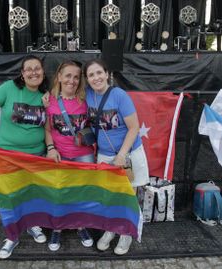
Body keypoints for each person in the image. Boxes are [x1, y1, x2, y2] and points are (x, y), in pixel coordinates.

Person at [0, 55, 48, 259]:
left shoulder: (47, 95)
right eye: (28, 69)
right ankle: (12, 236)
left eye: (37, 68)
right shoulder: (8, 89)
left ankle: (32, 226)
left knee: (32, 193)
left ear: (43, 72)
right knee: (8, 196)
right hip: (7, 156)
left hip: (36, 157)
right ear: (22, 73)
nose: (33, 72)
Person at [83, 59, 149, 255]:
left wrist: (122, 154)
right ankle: (111, 229)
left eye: (99, 73)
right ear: (87, 79)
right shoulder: (87, 95)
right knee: (110, 197)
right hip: (104, 156)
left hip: (128, 154)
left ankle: (127, 233)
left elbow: (134, 127)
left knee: (129, 196)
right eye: (91, 75)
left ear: (107, 74)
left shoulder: (119, 95)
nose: (96, 78)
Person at [44, 60, 95, 251]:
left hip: (84, 155)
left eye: (76, 77)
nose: (72, 81)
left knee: (81, 192)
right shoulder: (49, 101)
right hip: (60, 155)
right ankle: (57, 228)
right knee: (59, 192)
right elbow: (47, 129)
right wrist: (50, 148)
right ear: (59, 77)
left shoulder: (87, 98)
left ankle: (80, 225)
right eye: (67, 76)